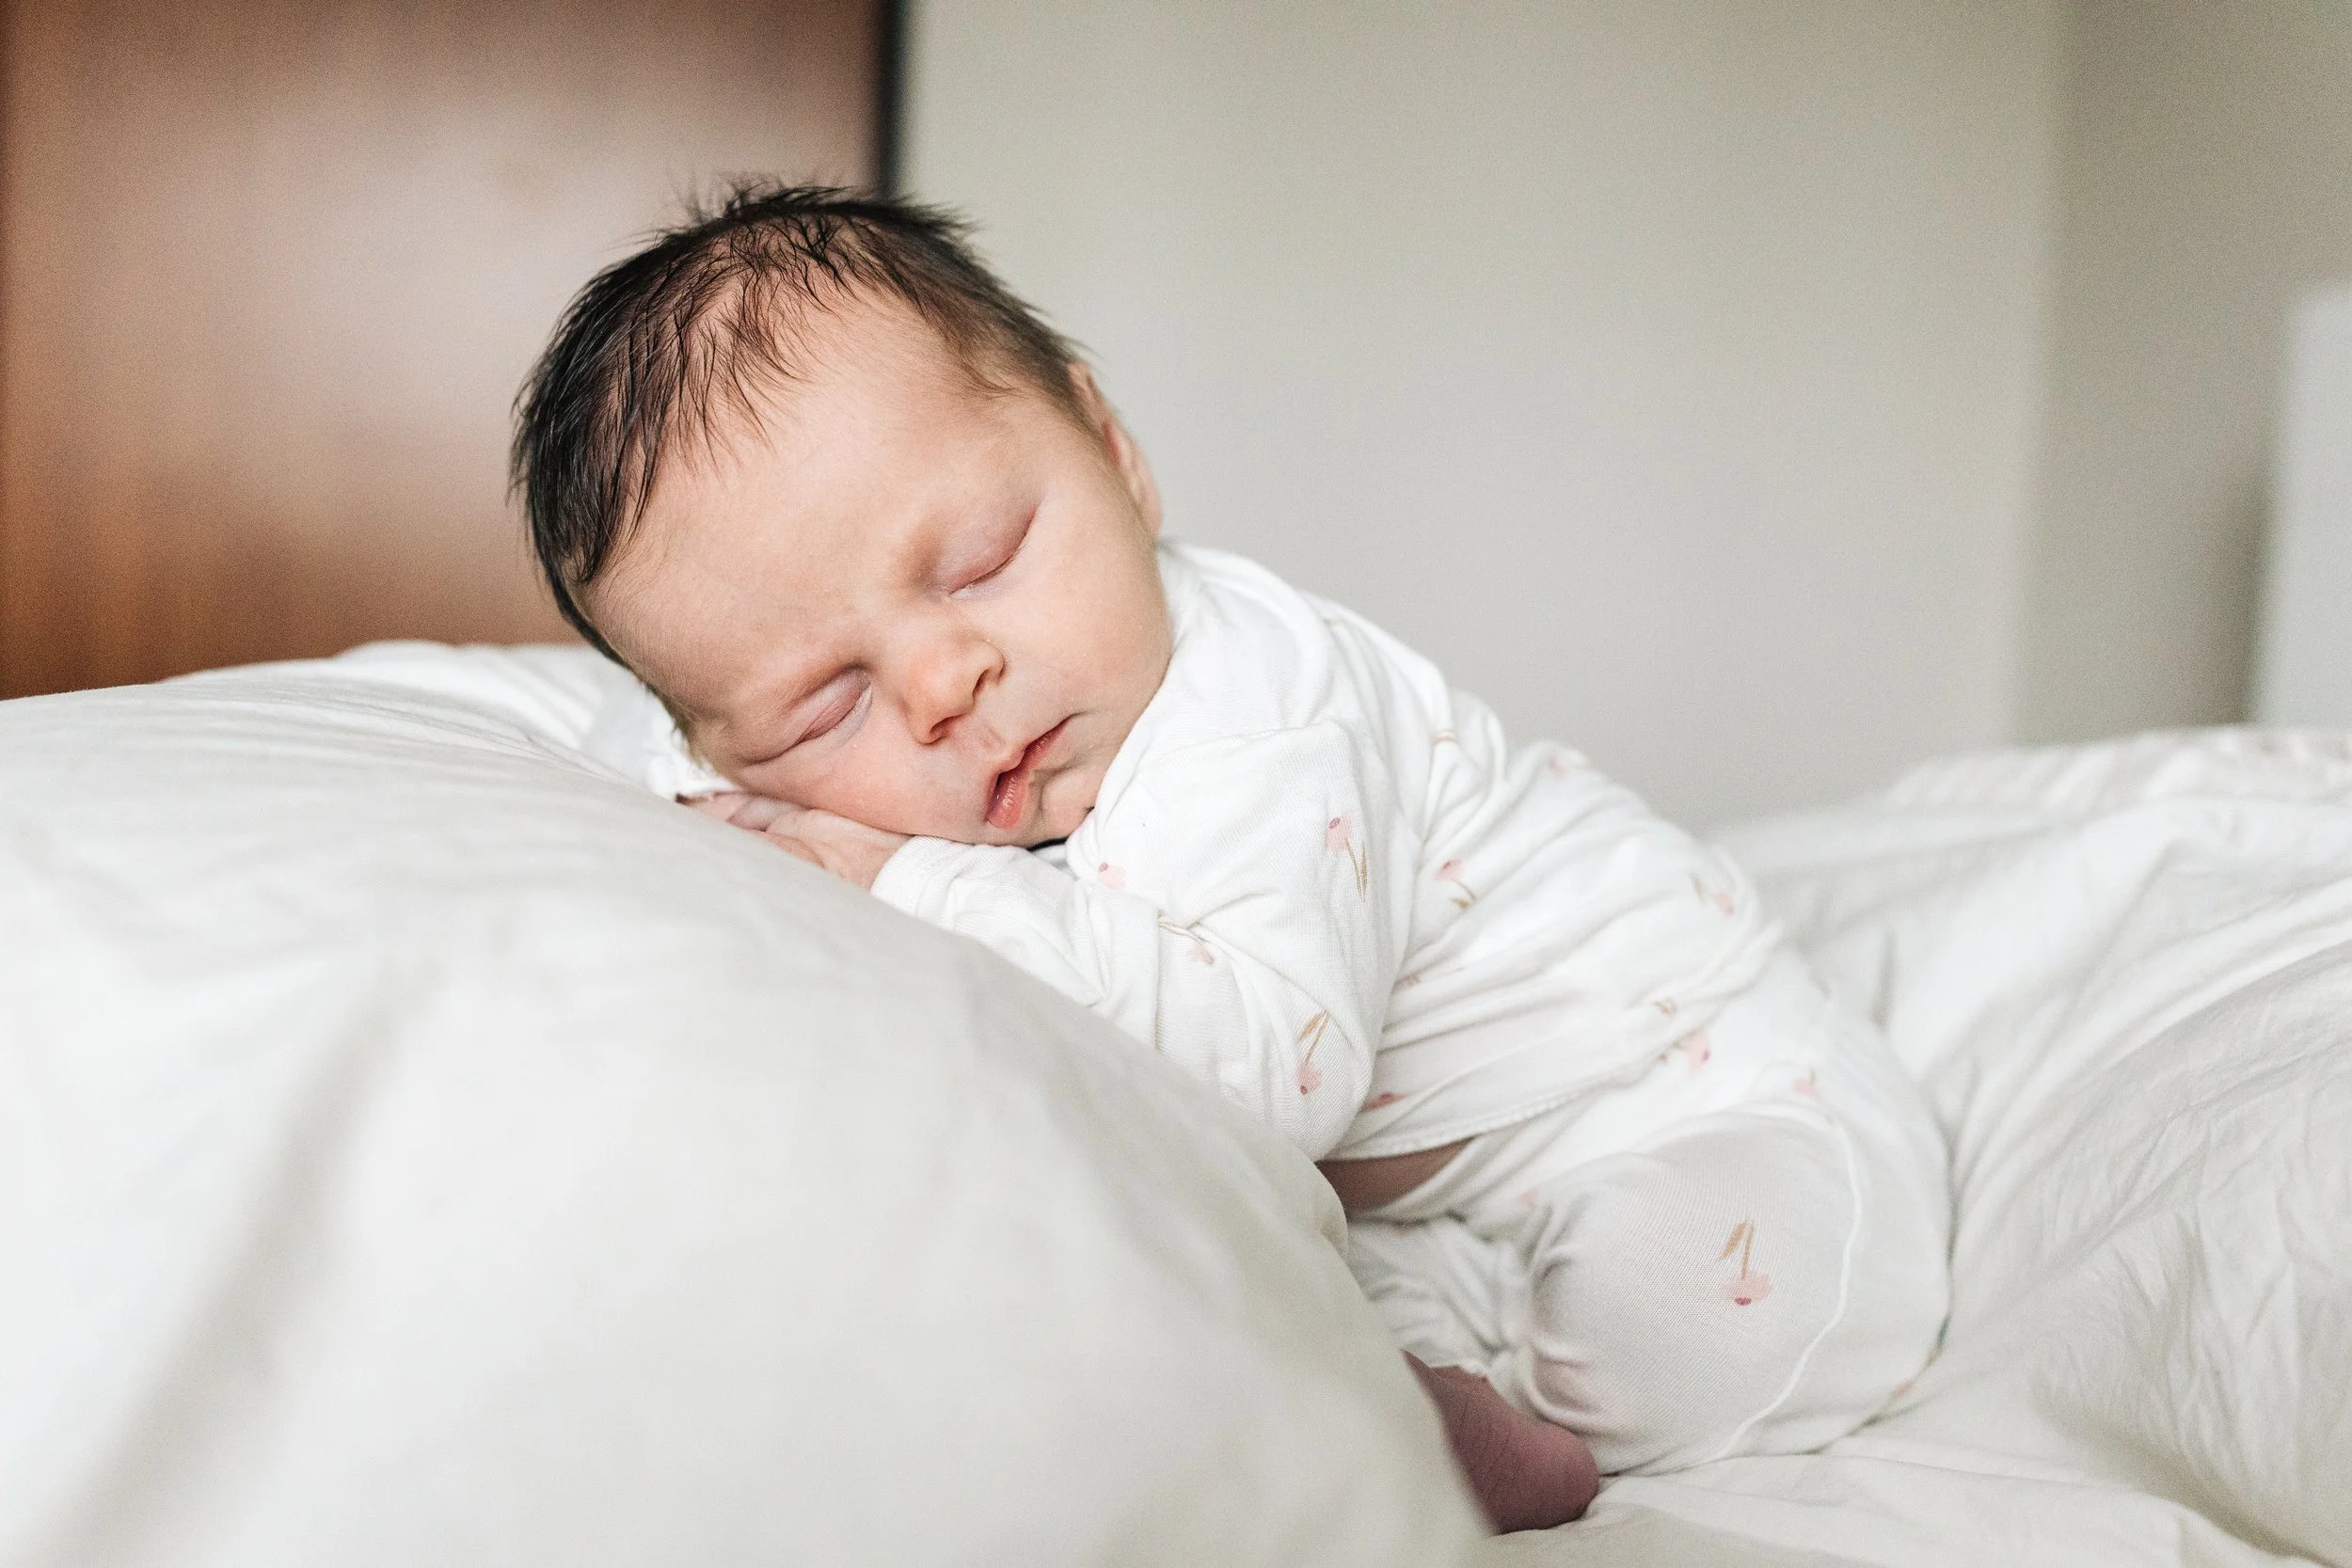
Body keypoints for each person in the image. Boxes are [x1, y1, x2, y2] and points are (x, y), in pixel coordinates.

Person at [513, 183, 1951, 1533]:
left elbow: (1267, 1072)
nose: (946, 681)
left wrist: (902, 873)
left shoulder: (1256, 709)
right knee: (1251, 1310)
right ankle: (1464, 1386)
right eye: (826, 701)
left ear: (1113, 453)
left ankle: (1549, 1433)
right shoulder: (808, 764)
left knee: (1705, 1300)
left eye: (981, 559)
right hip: (1450, 1200)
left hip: (1710, 1094)